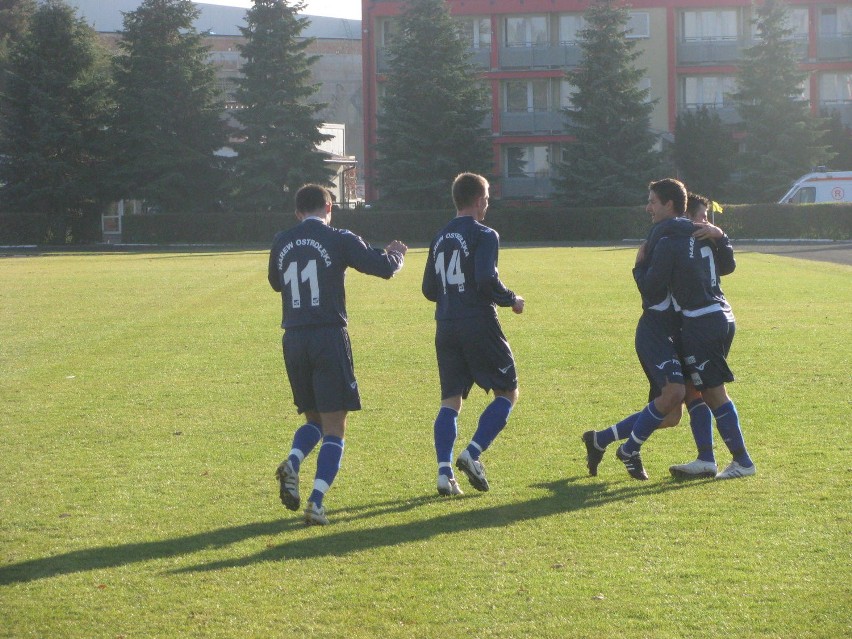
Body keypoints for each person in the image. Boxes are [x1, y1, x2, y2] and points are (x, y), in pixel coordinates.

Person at [269, 184, 408, 525]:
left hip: (294, 337)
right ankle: (316, 502)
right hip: (328, 336)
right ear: (329, 208)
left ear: (297, 212)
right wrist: (397, 254)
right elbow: (383, 267)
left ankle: (294, 458)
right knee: (335, 427)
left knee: (314, 419)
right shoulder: (339, 237)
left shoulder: (282, 240)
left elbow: (276, 283)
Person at [422, 172, 525, 496]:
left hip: (446, 323)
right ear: (480, 200)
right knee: (507, 392)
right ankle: (472, 453)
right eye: (487, 201)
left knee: (450, 401)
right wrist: (512, 299)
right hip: (478, 323)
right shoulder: (485, 234)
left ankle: (444, 473)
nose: (487, 206)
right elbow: (485, 279)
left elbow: (428, 289)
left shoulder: (439, 237)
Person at [581, 179, 692, 480]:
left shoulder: (677, 235)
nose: (648, 207)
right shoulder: (662, 237)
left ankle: (599, 440)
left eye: (653, 201)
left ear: (669, 204)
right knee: (674, 392)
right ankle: (629, 449)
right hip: (654, 331)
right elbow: (651, 288)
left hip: (673, 333)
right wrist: (638, 269)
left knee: (671, 416)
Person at [664, 193, 754, 479]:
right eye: (700, 216)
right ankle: (705, 459)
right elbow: (726, 267)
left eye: (705, 217)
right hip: (712, 319)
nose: (704, 222)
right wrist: (721, 237)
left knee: (714, 391)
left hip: (706, 322)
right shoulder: (702, 240)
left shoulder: (686, 240)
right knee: (693, 388)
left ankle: (742, 461)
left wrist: (720, 236)